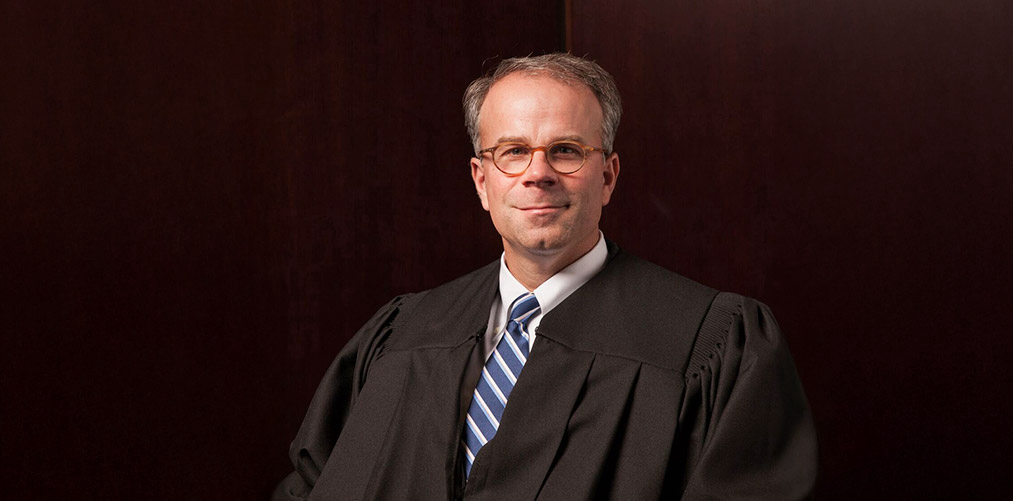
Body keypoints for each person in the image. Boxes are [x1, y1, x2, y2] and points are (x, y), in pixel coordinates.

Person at [274, 53, 817, 500]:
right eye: (513, 152)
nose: (538, 174)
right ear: (482, 181)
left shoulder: (713, 345)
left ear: (607, 176)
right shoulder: (401, 336)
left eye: (565, 151)